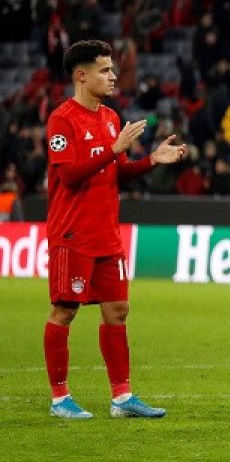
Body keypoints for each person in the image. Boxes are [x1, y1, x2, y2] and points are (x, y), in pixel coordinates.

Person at [44, 40, 187, 419]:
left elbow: (117, 171)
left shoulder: (109, 117)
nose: (112, 76)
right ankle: (60, 398)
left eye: (112, 69)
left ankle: (122, 398)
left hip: (107, 233)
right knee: (64, 311)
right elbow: (70, 175)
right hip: (72, 233)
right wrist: (112, 148)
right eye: (105, 70)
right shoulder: (62, 118)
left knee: (118, 310)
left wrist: (152, 160)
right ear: (81, 75)